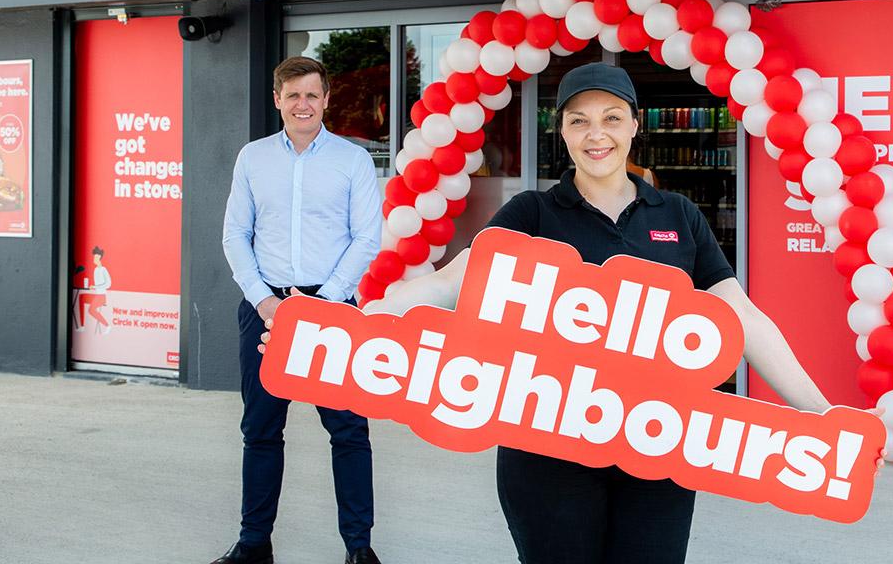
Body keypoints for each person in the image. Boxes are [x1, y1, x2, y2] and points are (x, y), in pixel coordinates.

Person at [359, 62, 839, 564]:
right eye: (579, 120)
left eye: (611, 118)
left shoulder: (678, 215)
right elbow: (446, 284)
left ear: (634, 125)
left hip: (659, 444)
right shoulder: (532, 214)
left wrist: (822, 414)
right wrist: (346, 328)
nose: (596, 135)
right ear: (561, 130)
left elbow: (743, 318)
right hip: (548, 451)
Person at [217, 56, 383, 564]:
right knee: (261, 431)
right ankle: (253, 546)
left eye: (312, 95)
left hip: (332, 309)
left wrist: (324, 301)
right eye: (293, 95)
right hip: (265, 309)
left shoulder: (352, 160)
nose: (302, 104)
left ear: (327, 99)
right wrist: (264, 299)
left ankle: (359, 549)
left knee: (349, 430)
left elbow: (366, 238)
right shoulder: (253, 158)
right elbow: (235, 236)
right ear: (277, 100)